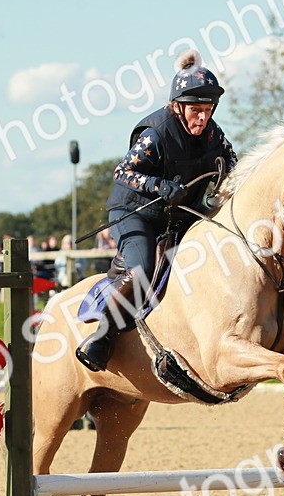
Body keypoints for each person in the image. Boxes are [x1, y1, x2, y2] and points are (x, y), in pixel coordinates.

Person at [75, 49, 237, 372]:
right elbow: (122, 172)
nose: (202, 118)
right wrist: (157, 186)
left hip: (179, 217)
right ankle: (101, 336)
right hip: (135, 212)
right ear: (178, 106)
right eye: (195, 110)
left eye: (207, 110)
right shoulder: (156, 133)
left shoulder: (213, 134)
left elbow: (235, 168)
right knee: (142, 270)